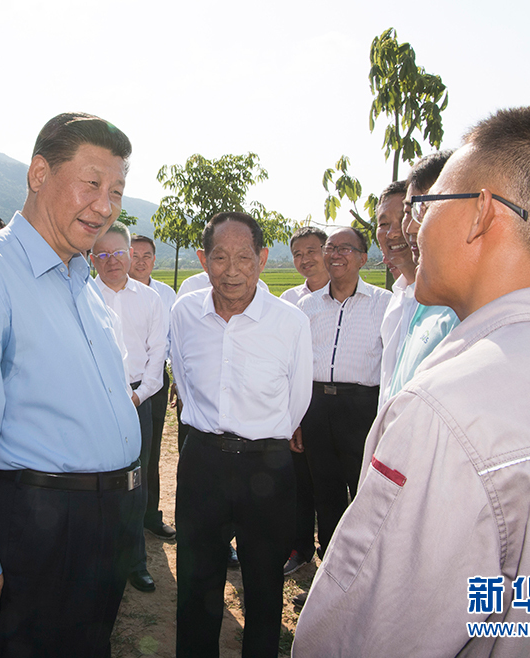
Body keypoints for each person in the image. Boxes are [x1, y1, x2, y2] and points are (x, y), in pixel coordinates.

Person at [293, 107, 530, 657]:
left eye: (425, 207)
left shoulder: (443, 412)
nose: (411, 229)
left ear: (481, 214)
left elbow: (370, 633)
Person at [0, 112, 143, 657]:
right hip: (39, 529)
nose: (105, 206)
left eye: (117, 191)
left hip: (105, 524)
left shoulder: (83, 282)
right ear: (39, 173)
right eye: (91, 183)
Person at [171, 211, 312, 658]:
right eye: (219, 257)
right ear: (203, 259)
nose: (232, 270)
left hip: (267, 467)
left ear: (263, 258)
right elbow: (184, 382)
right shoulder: (184, 313)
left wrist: (261, 436)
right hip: (203, 462)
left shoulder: (290, 322)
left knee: (264, 585)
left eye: (244, 258)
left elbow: (297, 400)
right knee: (196, 583)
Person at [295, 227, 390, 556]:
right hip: (316, 406)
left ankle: (364, 566)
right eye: (330, 248)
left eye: (345, 249)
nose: (335, 255)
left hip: (362, 408)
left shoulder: (384, 304)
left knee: (365, 490)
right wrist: (297, 417)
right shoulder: (306, 306)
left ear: (363, 258)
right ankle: (329, 563)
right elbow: (298, 365)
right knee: (325, 490)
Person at [91, 222, 166, 593]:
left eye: (118, 253)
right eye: (102, 254)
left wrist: (137, 397)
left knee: (137, 478)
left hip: (138, 399)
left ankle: (135, 562)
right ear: (92, 259)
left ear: (130, 255)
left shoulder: (151, 300)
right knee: (94, 479)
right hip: (93, 400)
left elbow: (157, 357)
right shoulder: (83, 296)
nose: (112, 261)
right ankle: (99, 559)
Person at [384, 151, 460, 401]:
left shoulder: (464, 307)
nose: (409, 227)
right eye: (410, 211)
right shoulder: (419, 298)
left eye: (422, 209)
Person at [280, 225, 328, 577]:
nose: (304, 259)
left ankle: (333, 553)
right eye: (297, 254)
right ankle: (300, 548)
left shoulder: (342, 294)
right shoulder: (288, 300)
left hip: (333, 401)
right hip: (297, 399)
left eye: (311, 251)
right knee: (298, 482)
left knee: (331, 485)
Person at [128, 233, 178, 540]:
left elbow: (174, 340)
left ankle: (150, 515)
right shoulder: (109, 291)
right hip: (123, 382)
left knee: (152, 451)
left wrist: (176, 380)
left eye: (147, 256)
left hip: (156, 380)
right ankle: (124, 518)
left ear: (155, 260)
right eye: (135, 255)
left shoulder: (166, 294)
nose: (141, 261)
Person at [375, 180, 416, 410]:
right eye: (384, 224)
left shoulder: (448, 303)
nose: (392, 233)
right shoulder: (396, 300)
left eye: (404, 218)